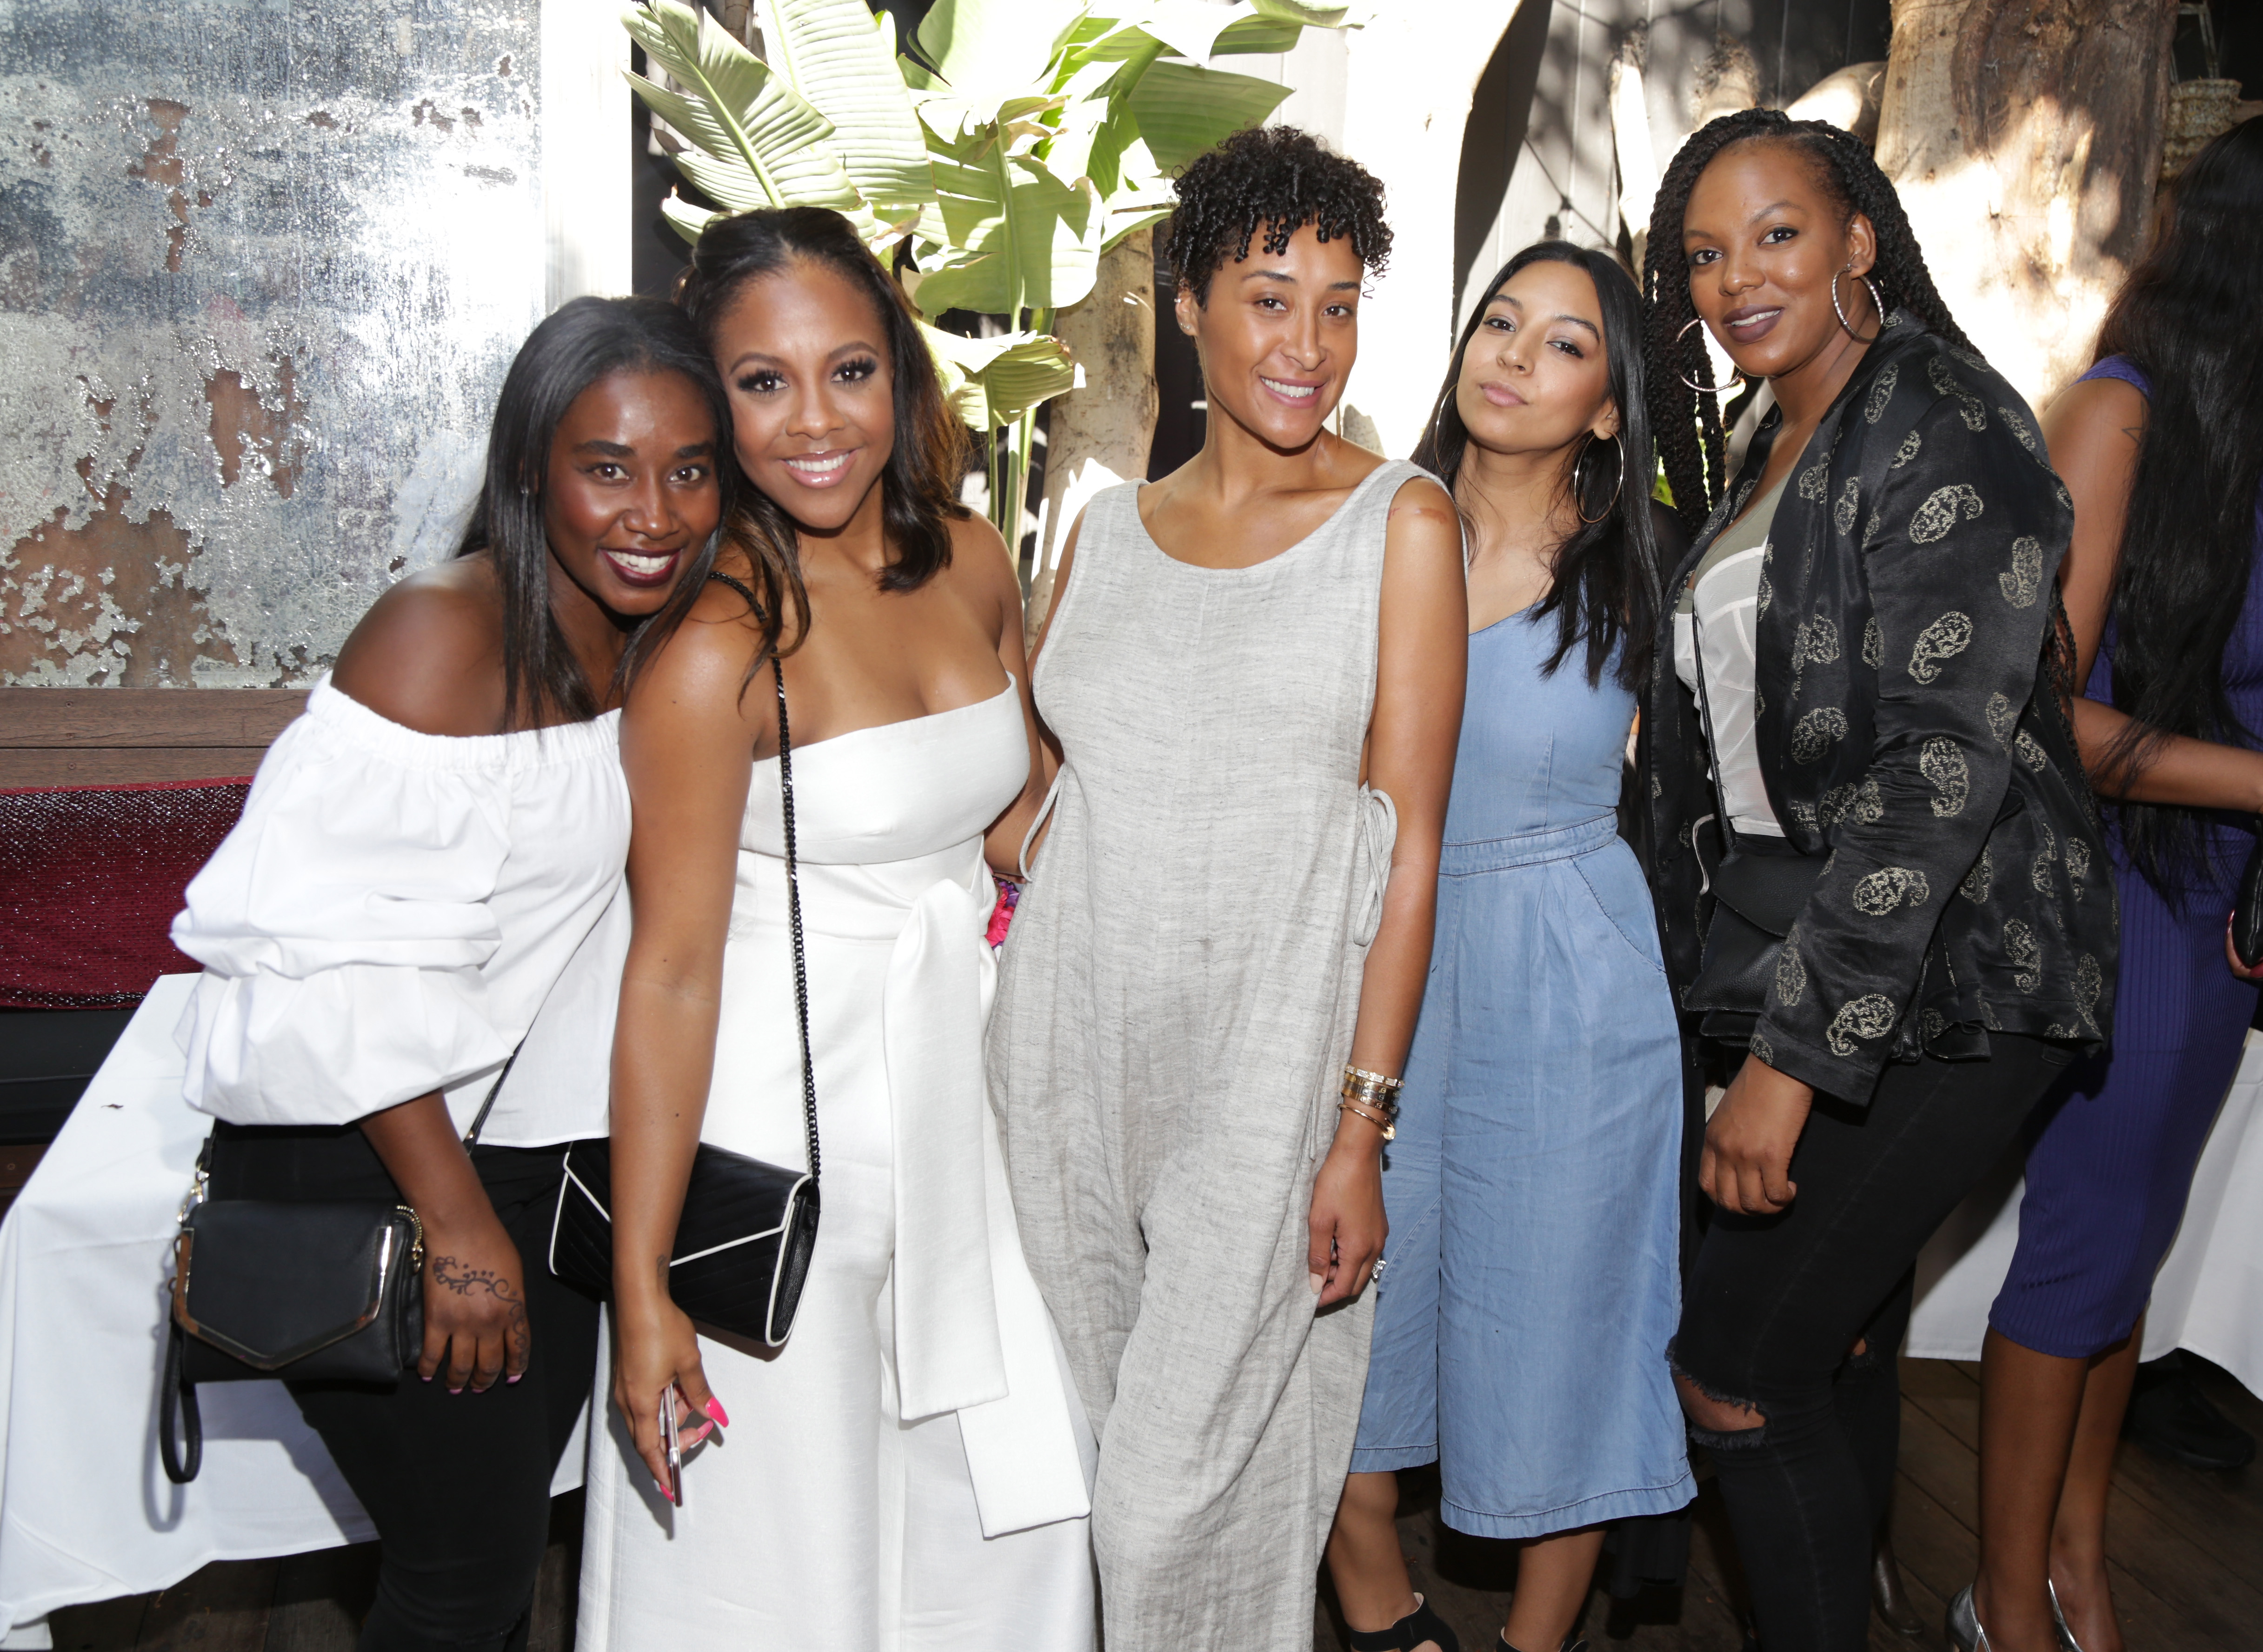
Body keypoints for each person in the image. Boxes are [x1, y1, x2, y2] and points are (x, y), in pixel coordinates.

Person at [170, 295, 726, 1652]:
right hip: (374, 1159)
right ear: (530, 468)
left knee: (485, 1566)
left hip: (507, 1163)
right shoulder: (440, 632)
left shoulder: (636, 634)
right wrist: (458, 1229)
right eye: (607, 469)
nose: (652, 511)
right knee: (462, 1581)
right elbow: (340, 970)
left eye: (690, 468)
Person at [578, 207, 1093, 1652]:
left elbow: (1022, 829)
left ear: (901, 379)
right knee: (782, 1558)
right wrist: (643, 1288)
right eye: (762, 382)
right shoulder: (713, 646)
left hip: (970, 1100)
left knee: (1007, 1507)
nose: (815, 423)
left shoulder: (973, 558)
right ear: (709, 396)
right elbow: (669, 973)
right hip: (776, 1130)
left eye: (850, 372)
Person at [1635, 108, 2116, 1652]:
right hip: (1811, 951)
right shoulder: (1779, 428)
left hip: (1958, 975)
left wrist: (1790, 1062)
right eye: (1703, 254)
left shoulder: (1941, 419)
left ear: (1856, 238)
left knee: (1734, 1367)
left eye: (1773, 234)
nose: (1732, 278)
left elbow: (1932, 774)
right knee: (1819, 1359)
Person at [985, 125, 1467, 1651]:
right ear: (1184, 299)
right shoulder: (1101, 530)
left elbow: (1410, 847)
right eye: (1269, 298)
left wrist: (1361, 1125)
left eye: (1337, 305)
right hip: (1061, 1062)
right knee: (1087, 1469)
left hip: (1268, 1082)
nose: (1306, 345)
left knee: (1164, 1507)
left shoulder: (1400, 524)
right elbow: (1041, 806)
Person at [1323, 241, 1692, 1652]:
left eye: (1562, 344)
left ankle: (1536, 1644)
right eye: (1498, 323)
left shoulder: (1643, 565)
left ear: (1609, 405)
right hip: (1375, 979)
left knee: (1566, 1325)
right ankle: (1373, 1593)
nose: (1511, 356)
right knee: (1340, 1298)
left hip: (1569, 987)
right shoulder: (1358, 530)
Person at [1976, 114, 2263, 1652]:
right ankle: (2002, 1602)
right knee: (2087, 1246)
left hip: (2222, 900)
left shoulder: (2241, 427)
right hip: (2127, 893)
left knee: (2131, 1243)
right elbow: (2054, 724)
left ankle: (2075, 1561)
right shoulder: (2123, 410)